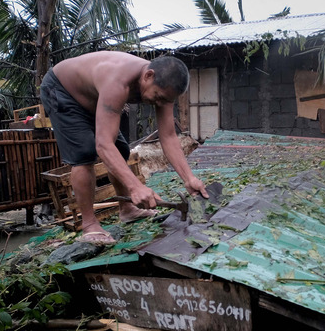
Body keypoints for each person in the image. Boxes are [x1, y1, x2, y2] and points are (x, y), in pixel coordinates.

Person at [40, 52, 208, 244]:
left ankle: (127, 210)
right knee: (84, 153)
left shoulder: (164, 87)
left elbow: (168, 136)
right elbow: (103, 145)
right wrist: (135, 186)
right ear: (148, 75)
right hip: (62, 91)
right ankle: (89, 225)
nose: (159, 104)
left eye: (165, 101)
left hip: (93, 99)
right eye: (158, 97)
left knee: (120, 149)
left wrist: (189, 178)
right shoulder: (118, 81)